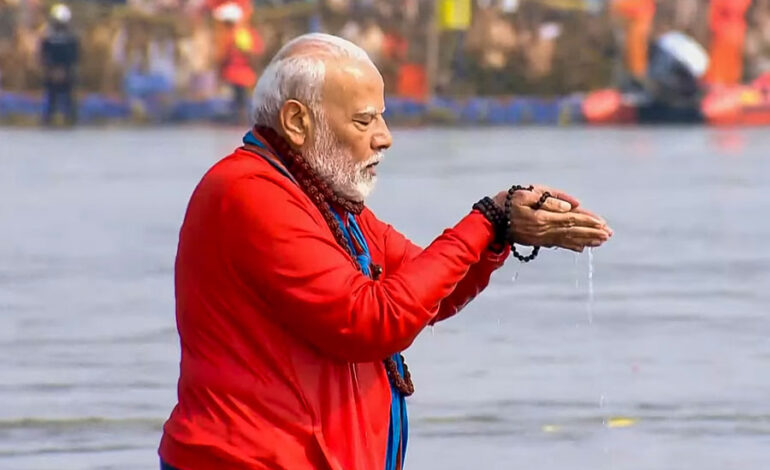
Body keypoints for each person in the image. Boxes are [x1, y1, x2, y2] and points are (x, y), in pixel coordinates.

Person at [158, 33, 612, 470]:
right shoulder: (250, 192)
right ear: (297, 122)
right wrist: (486, 219)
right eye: (364, 120)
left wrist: (500, 233)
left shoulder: (323, 199)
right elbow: (371, 322)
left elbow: (432, 294)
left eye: (382, 117)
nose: (385, 137)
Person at [214, 2, 263, 123]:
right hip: (242, 76)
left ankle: (242, 123)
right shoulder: (243, 33)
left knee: (240, 104)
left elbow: (224, 57)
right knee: (240, 103)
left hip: (239, 76)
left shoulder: (237, 35)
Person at [40, 3, 79, 126]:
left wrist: (64, 70)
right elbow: (43, 56)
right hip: (50, 73)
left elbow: (74, 57)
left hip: (67, 73)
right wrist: (51, 70)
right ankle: (49, 115)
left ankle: (70, 116)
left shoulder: (72, 38)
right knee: (51, 94)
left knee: (69, 93)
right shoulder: (47, 37)